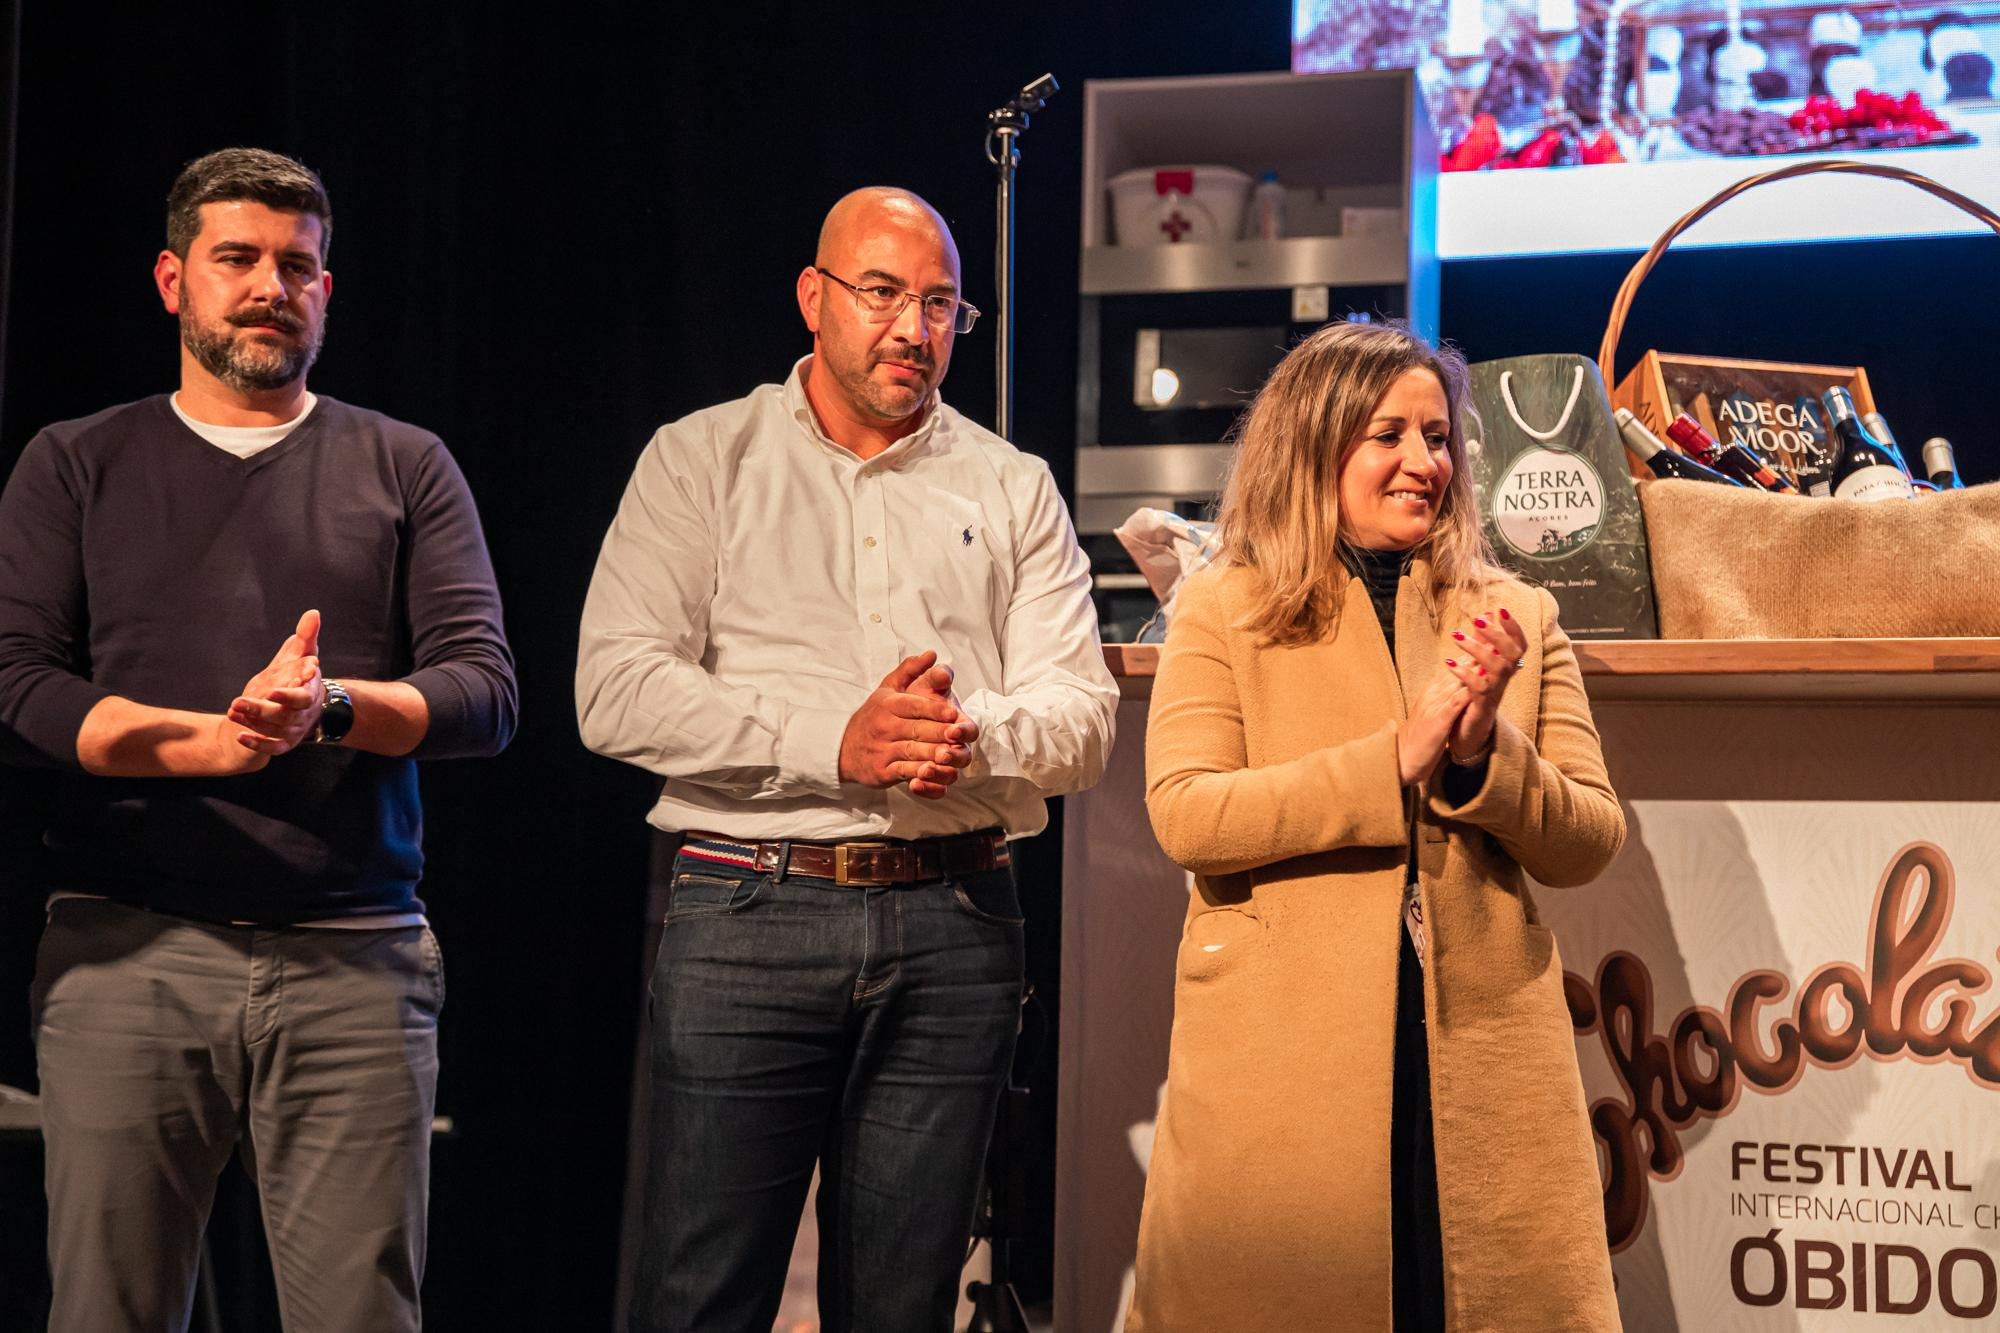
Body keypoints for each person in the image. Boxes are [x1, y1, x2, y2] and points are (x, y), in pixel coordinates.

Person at [576, 187, 1116, 1333]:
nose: (913, 329)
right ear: (812, 297)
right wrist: (833, 742)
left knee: (902, 1307)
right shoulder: (701, 458)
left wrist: (963, 737)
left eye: (940, 304)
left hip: (956, 920)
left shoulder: (1010, 483)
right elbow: (614, 688)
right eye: (881, 293)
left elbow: (1083, 717)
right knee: (699, 1295)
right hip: (749, 908)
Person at [0, 148, 517, 1333]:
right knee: (109, 1312)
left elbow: (482, 692)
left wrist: (324, 707)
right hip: (128, 951)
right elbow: (17, 683)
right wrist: (209, 745)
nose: (269, 287)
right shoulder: (76, 461)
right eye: (237, 259)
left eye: (297, 266)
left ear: (326, 290)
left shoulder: (405, 463)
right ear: (172, 279)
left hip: (355, 961)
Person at [1125, 321, 1623, 1332]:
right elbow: (1188, 811)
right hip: (1283, 1053)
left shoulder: (1518, 613)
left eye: (1436, 437)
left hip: (1482, 1053)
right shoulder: (1222, 606)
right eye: (1387, 435)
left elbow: (1588, 837)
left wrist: (1482, 756)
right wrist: (1389, 759)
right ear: (1311, 445)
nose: (1422, 462)